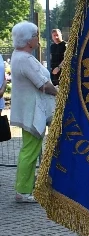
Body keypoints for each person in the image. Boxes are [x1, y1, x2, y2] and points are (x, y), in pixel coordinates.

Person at [9, 22, 57, 204]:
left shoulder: (18, 56)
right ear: (29, 40)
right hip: (32, 112)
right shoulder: (25, 59)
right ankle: (23, 190)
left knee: (30, 150)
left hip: (29, 110)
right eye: (36, 35)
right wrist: (60, 93)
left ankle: (28, 185)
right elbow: (43, 84)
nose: (38, 38)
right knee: (30, 151)